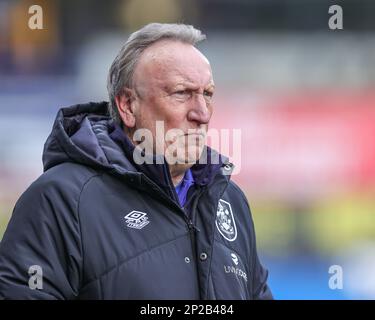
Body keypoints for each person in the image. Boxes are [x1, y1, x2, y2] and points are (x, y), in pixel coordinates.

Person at [0, 23, 272, 300]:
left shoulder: (229, 200)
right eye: (181, 93)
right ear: (128, 106)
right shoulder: (60, 200)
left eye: (208, 94)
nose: (202, 113)